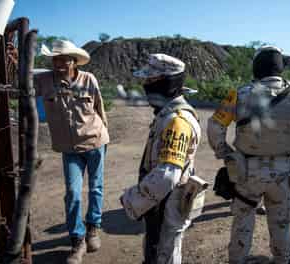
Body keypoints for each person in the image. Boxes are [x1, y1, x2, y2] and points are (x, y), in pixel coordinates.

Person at [207, 45, 290, 264]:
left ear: (256, 68)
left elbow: (215, 126)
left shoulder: (238, 95)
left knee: (242, 225)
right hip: (283, 175)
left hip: (245, 173)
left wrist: (227, 154)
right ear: (280, 68)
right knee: (281, 226)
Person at [120, 53, 202, 264]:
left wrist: (132, 200)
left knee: (164, 255)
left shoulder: (177, 121)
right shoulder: (166, 114)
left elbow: (167, 176)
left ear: (167, 82)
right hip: (162, 201)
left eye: (151, 81)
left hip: (168, 201)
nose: (146, 86)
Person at [35, 40, 109, 264]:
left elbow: (99, 106)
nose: (57, 63)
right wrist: (12, 58)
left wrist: (105, 133)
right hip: (69, 149)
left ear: (73, 61)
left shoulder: (88, 79)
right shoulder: (45, 80)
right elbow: (20, 77)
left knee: (96, 187)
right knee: (73, 193)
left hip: (95, 141)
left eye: (63, 59)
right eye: (54, 59)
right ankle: (78, 240)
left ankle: (93, 228)